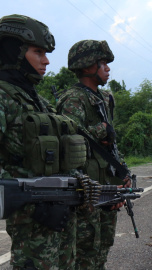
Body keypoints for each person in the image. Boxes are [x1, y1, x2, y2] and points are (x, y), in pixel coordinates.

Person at [0, 14, 82, 269]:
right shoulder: (3, 98)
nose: (46, 61)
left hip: (60, 215)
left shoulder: (36, 100)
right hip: (32, 225)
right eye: (38, 52)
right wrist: (33, 205)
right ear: (14, 51)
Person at [56, 40, 130, 270]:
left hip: (107, 184)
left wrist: (122, 171)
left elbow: (110, 146)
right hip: (87, 189)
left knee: (103, 245)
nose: (107, 68)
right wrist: (99, 131)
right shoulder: (73, 99)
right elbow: (69, 144)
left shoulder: (104, 99)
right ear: (88, 66)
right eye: (102, 63)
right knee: (85, 248)